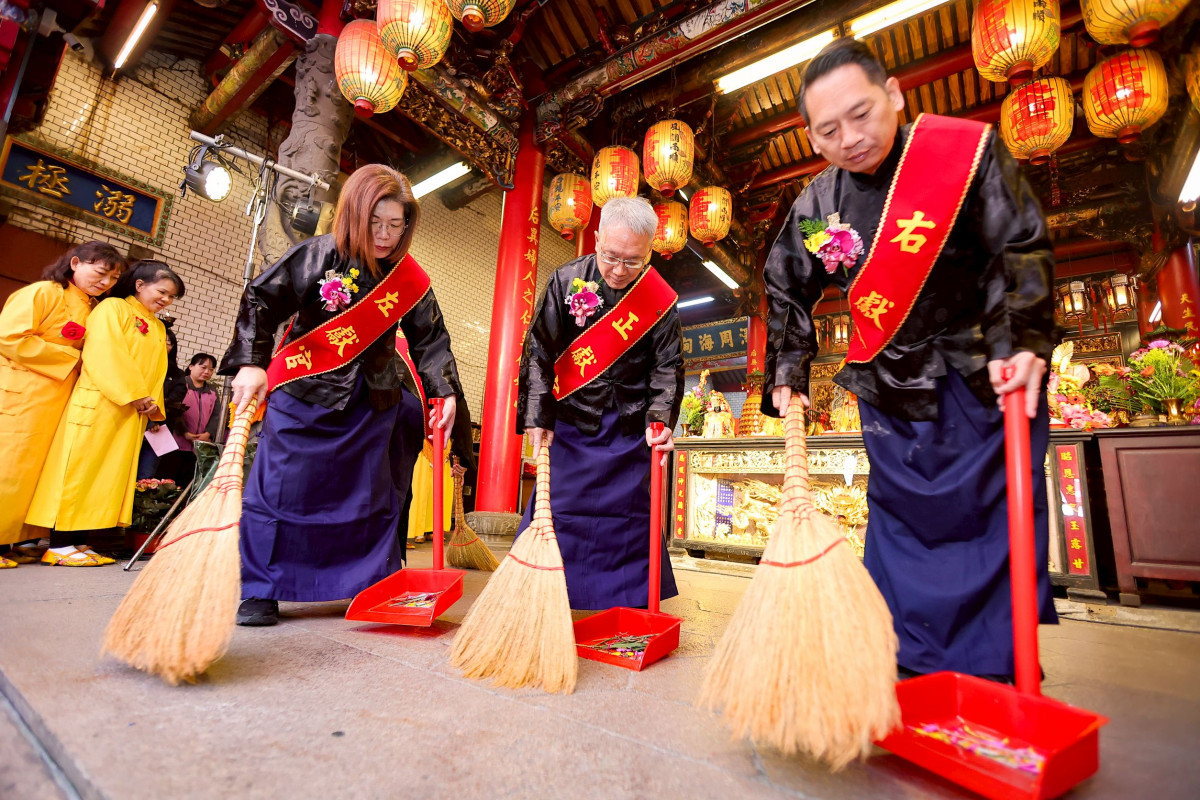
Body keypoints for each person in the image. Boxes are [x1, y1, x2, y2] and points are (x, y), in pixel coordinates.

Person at [761, 39, 1058, 680]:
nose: (851, 137)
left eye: (862, 113)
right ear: (813, 139)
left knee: (992, 529)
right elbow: (785, 281)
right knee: (902, 535)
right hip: (891, 393)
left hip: (983, 379)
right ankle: (908, 670)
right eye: (830, 129)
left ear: (894, 94)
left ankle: (996, 675)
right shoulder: (818, 203)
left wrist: (1023, 341)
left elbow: (1020, 245)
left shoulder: (963, 151)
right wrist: (790, 369)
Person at [222, 164, 461, 627]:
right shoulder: (316, 255)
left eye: (397, 225)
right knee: (279, 492)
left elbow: (431, 339)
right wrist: (251, 361)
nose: (387, 236)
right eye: (376, 223)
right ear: (354, 213)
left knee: (367, 499)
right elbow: (260, 301)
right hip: (305, 394)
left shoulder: (408, 278)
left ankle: (364, 584)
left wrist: (444, 392)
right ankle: (263, 589)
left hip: (373, 402)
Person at [518, 196, 684, 610]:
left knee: (627, 519)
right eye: (610, 256)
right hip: (573, 424)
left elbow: (668, 367)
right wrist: (538, 413)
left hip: (630, 430)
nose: (618, 270)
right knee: (558, 509)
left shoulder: (658, 299)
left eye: (633, 261)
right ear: (596, 240)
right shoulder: (566, 281)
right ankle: (544, 591)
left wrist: (660, 421)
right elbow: (538, 349)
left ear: (649, 252)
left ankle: (626, 599)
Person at [26, 260, 184, 566]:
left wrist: (152, 406)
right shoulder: (113, 309)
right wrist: (137, 395)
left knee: (104, 478)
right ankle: (58, 544)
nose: (166, 300)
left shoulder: (155, 325)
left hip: (129, 412)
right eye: (162, 292)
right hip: (100, 404)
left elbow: (156, 371)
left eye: (171, 297)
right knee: (79, 471)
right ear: (140, 285)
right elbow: (105, 353)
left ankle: (81, 542)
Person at [0, 242, 125, 568]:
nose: (106, 283)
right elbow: (9, 337)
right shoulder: (42, 293)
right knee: (7, 469)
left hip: (54, 404)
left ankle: (17, 539)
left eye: (112, 278)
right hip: (19, 396)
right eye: (100, 273)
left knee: (30, 477)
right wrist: (73, 358)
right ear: (74, 263)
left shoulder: (92, 308)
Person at [162, 352, 221, 484]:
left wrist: (208, 434)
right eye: (203, 367)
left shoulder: (212, 392)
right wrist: (185, 433)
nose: (207, 372)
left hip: (198, 447)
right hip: (175, 444)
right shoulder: (180, 386)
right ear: (191, 367)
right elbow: (173, 411)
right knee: (167, 480)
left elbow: (217, 415)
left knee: (188, 482)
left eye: (211, 369)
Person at [137, 324, 183, 480]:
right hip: (134, 421)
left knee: (146, 475)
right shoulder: (140, 365)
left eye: (168, 342)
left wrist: (155, 418)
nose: (163, 345)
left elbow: (175, 398)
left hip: (158, 429)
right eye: (160, 340)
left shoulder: (177, 374)